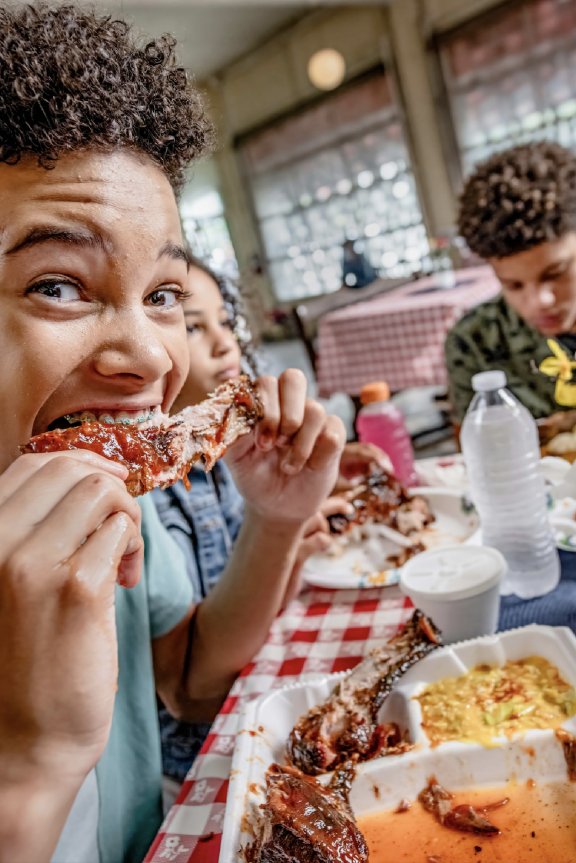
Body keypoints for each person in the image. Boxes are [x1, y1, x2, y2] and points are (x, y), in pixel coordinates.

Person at [0, 6, 347, 862]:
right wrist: (29, 772)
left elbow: (188, 680)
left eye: (161, 293)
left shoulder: (100, 491)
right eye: (57, 283)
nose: (153, 356)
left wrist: (271, 519)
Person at [153, 256, 390, 783]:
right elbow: (194, 693)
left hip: (258, 687)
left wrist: (294, 534)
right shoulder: (151, 491)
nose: (224, 342)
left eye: (224, 320)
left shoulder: (222, 452)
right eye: (193, 326)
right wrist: (281, 524)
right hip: (205, 753)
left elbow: (251, 579)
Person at [445, 141, 576, 432]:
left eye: (555, 274)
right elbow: (476, 455)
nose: (539, 301)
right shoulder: (476, 341)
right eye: (513, 285)